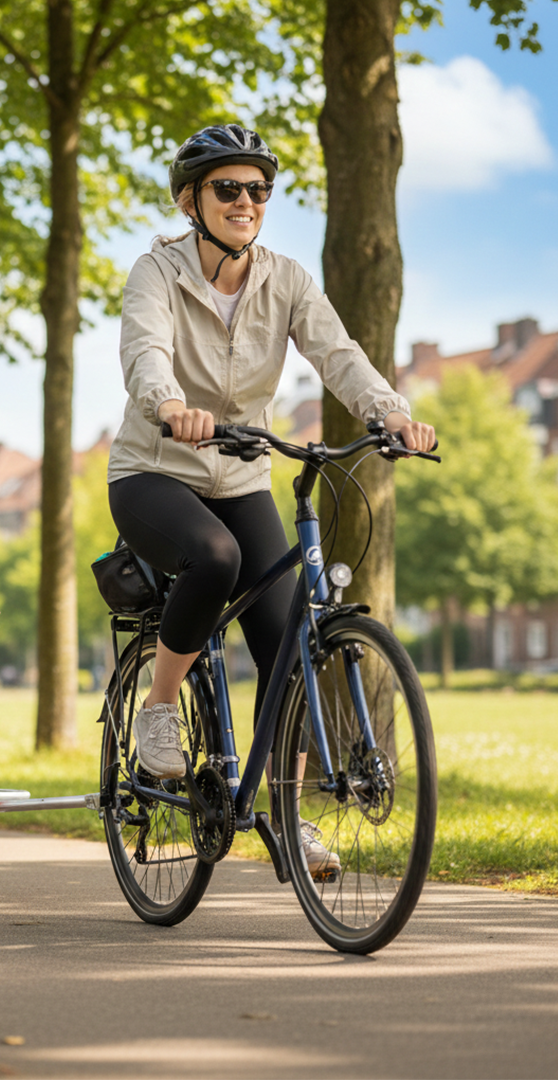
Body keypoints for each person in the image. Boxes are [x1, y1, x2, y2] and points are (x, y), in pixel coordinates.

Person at [106, 124, 436, 879]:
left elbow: (337, 351)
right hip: (154, 471)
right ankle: (159, 707)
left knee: (287, 645)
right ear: (192, 200)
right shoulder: (157, 273)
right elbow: (143, 347)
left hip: (242, 474)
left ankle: (286, 820)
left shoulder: (284, 278)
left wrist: (388, 412)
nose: (246, 201)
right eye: (229, 187)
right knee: (214, 556)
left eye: (258, 189)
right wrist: (166, 402)